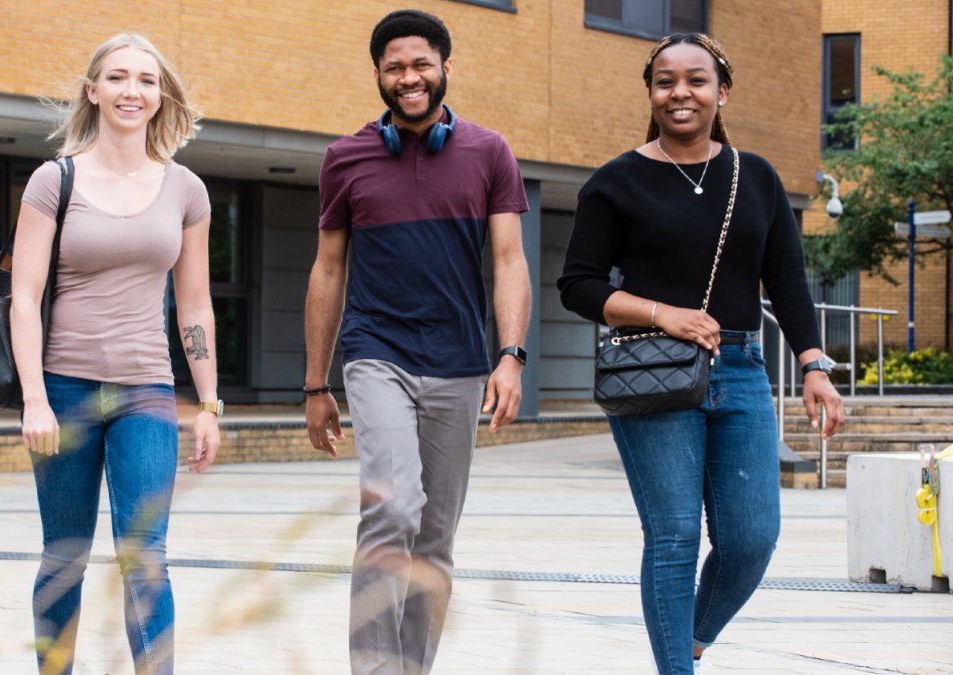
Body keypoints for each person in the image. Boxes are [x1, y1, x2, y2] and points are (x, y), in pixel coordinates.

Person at [557, 33, 845, 674]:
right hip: (653, 373)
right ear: (651, 92)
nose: (679, 93)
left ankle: (686, 640)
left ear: (722, 90)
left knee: (751, 539)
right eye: (665, 81)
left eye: (695, 80)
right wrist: (664, 313)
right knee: (674, 537)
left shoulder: (757, 177)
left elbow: (789, 282)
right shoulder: (615, 182)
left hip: (740, 369)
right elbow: (578, 285)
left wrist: (814, 365)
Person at [304, 9, 532, 674]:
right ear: (378, 75)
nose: (409, 77)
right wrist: (318, 384)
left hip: (459, 363)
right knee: (392, 511)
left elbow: (510, 261)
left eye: (420, 64)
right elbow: (327, 269)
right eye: (394, 66)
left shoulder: (490, 153)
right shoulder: (344, 159)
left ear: (446, 69)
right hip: (376, 354)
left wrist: (510, 356)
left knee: (434, 539)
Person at [10, 33, 220, 675]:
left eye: (147, 80)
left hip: (146, 393)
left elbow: (195, 305)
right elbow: (24, 295)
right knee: (64, 555)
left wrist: (209, 403)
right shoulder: (56, 179)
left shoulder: (186, 189)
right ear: (93, 91)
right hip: (66, 390)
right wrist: (35, 400)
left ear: (161, 96)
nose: (134, 91)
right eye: (119, 78)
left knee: (145, 555)